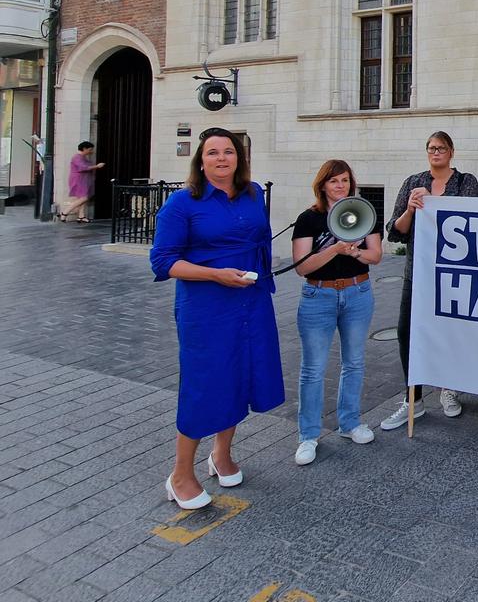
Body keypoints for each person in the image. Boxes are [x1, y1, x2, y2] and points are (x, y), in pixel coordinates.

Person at [149, 128, 285, 509]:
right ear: (201, 160)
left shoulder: (253, 193)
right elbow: (162, 261)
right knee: (205, 384)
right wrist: (216, 274)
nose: (222, 158)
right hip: (207, 307)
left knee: (241, 376)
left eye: (229, 151)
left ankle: (221, 455)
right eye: (213, 153)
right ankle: (180, 475)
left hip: (251, 300)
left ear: (239, 158)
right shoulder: (181, 204)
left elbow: (260, 240)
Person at [381, 131, 478, 430]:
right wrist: (411, 209)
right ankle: (414, 398)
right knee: (407, 332)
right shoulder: (413, 183)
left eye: (441, 148)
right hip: (418, 273)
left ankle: (449, 388)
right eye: (431, 148)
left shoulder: (466, 182)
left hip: (453, 274)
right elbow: (395, 232)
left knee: (450, 332)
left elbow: (474, 221)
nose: (435, 153)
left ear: (451, 152)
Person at [291, 160, 383, 466]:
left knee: (354, 362)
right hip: (319, 294)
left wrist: (354, 251)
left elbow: (376, 256)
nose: (340, 185)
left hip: (357, 293)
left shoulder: (363, 212)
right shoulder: (309, 218)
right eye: (334, 181)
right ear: (323, 185)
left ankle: (350, 423)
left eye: (345, 180)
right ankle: (308, 435)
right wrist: (334, 248)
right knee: (313, 368)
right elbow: (302, 266)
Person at [62, 141, 104, 223]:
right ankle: (65, 212)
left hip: (83, 179)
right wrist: (97, 166)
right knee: (84, 197)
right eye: (90, 149)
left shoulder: (83, 157)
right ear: (84, 149)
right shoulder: (77, 157)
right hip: (79, 180)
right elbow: (83, 167)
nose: (91, 151)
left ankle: (81, 216)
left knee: (81, 198)